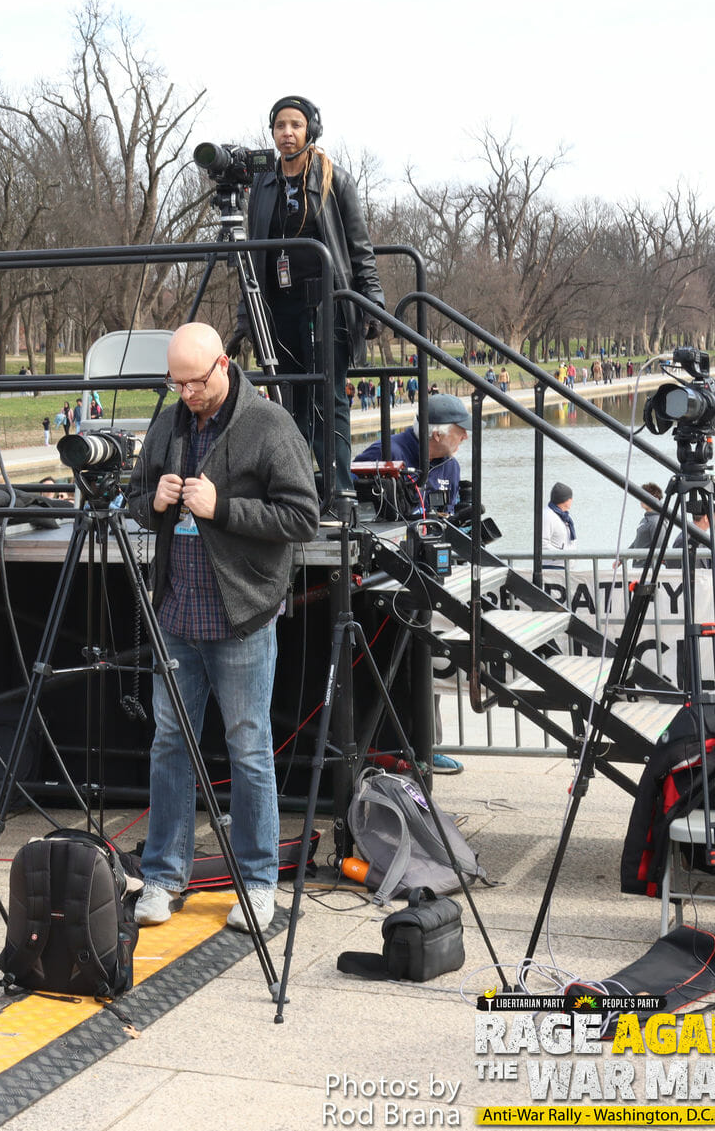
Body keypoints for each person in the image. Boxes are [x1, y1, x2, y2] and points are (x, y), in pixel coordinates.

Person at [126, 325, 318, 936]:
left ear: (224, 365)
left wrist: (223, 509)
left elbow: (303, 516)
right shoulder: (169, 425)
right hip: (177, 615)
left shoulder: (267, 425)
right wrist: (153, 501)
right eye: (176, 383)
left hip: (241, 618)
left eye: (196, 381)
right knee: (169, 746)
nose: (187, 393)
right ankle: (162, 876)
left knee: (249, 749)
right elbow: (132, 500)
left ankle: (258, 884)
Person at [235, 95, 385, 492]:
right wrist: (244, 317)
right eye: (280, 126)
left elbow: (359, 249)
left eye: (295, 125)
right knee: (286, 403)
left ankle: (338, 491)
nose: (287, 133)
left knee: (327, 400)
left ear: (310, 130)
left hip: (326, 306)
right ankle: (296, 490)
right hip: (278, 307)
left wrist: (372, 304)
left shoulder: (335, 179)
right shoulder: (263, 185)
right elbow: (250, 254)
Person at [352, 393, 471, 513]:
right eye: (461, 432)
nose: (465, 437)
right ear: (437, 435)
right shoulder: (386, 453)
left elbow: (449, 513)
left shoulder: (451, 466)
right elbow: (346, 494)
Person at [541, 482, 576, 571]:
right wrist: (563, 554)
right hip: (552, 569)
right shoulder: (547, 516)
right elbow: (542, 544)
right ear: (566, 500)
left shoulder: (563, 516)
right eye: (570, 498)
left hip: (564, 567)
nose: (572, 500)